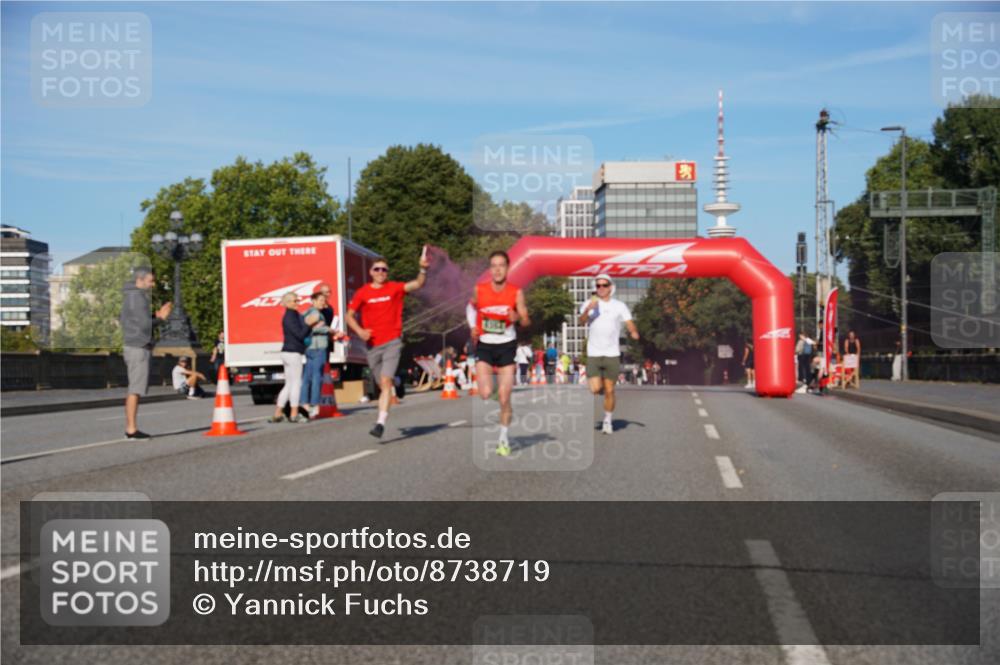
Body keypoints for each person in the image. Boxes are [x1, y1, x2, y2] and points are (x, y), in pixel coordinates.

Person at [346, 252, 429, 440]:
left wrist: (423, 269)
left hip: (392, 341)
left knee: (384, 382)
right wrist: (359, 331)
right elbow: (348, 315)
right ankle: (396, 383)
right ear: (371, 272)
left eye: (384, 270)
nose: (381, 272)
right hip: (373, 345)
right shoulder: (363, 292)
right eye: (377, 269)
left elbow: (418, 283)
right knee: (381, 384)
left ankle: (380, 423)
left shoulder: (394, 288)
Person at [468, 250, 530, 456]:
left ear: (507, 268)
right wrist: (472, 327)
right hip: (485, 344)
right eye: (493, 265)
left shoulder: (516, 292)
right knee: (485, 393)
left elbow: (526, 320)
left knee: (504, 397)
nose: (497, 269)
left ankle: (503, 439)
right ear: (490, 269)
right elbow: (470, 308)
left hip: (506, 345)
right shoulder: (480, 290)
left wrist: (516, 317)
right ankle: (497, 389)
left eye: (501, 265)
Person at [579, 274, 639, 435]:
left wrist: (633, 332)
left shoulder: (619, 305)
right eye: (598, 285)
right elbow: (581, 321)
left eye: (604, 285)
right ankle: (602, 388)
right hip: (594, 352)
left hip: (612, 353)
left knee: (610, 390)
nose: (601, 288)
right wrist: (588, 310)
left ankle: (607, 420)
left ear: (611, 287)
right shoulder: (589, 303)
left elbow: (629, 322)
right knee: (595, 388)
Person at [120, 267, 172, 440]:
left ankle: (131, 428)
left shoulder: (131, 296)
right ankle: (131, 429)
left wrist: (153, 315)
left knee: (135, 388)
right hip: (138, 348)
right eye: (151, 281)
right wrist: (161, 318)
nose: (153, 284)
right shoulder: (138, 298)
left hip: (133, 345)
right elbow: (143, 326)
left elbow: (135, 320)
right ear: (140, 280)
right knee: (135, 389)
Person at [270, 292, 311, 423]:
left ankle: (277, 414)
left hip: (289, 352)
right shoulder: (289, 317)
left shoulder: (293, 315)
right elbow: (300, 334)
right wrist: (309, 324)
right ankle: (294, 414)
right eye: (294, 301)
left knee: (289, 384)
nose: (297, 303)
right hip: (293, 353)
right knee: (296, 384)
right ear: (287, 303)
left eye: (297, 300)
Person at [299, 291, 333, 417]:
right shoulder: (315, 313)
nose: (323, 302)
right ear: (313, 301)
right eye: (320, 300)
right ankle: (314, 405)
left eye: (324, 300)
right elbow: (314, 328)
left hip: (309, 347)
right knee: (317, 377)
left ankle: (304, 403)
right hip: (318, 347)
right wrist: (329, 330)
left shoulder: (306, 312)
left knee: (307, 377)